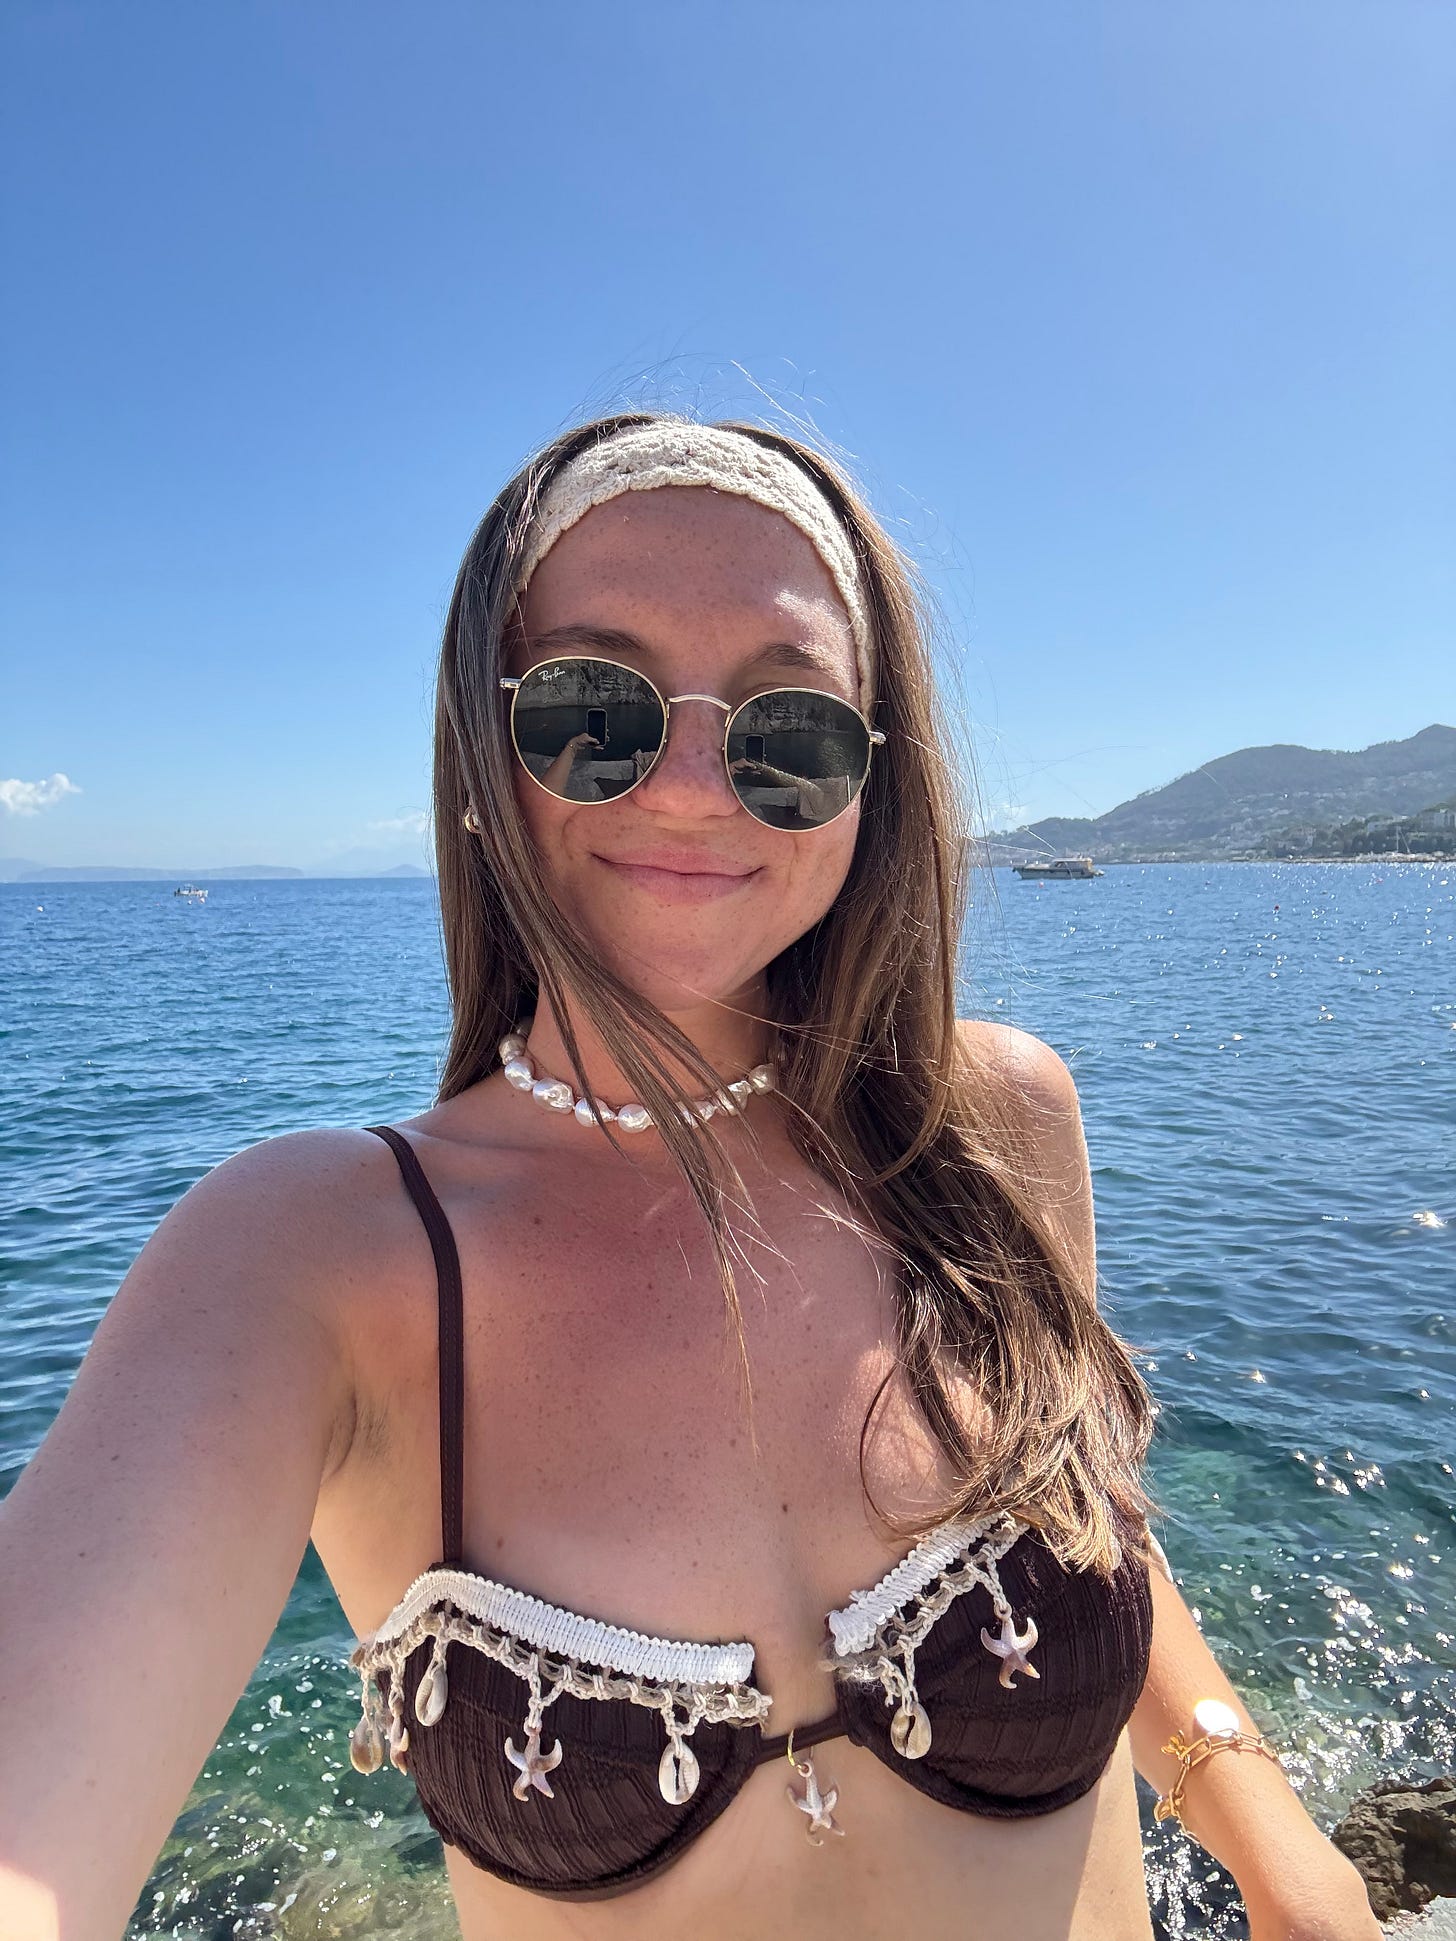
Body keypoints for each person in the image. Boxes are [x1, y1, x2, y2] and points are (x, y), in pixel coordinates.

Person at [0, 412, 1379, 1941]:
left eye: (793, 727)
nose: (697, 784)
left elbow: (1083, 1506)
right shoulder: (318, 1262)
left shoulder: (991, 1125)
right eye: (596, 706)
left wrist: (1269, 1833)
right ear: (479, 753)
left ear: (872, 786)